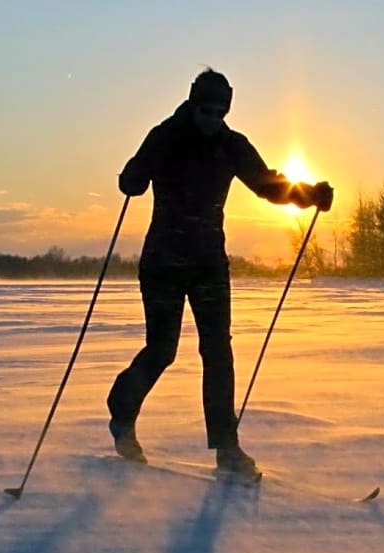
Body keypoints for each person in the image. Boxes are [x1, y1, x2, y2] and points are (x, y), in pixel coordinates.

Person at [107, 68, 333, 478]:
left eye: (220, 110)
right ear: (193, 104)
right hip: (162, 262)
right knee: (162, 350)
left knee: (218, 351)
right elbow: (133, 180)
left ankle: (227, 450)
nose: (213, 117)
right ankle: (122, 413)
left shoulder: (231, 145)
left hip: (209, 262)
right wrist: (132, 177)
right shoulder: (166, 136)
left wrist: (309, 194)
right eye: (206, 109)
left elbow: (268, 184)